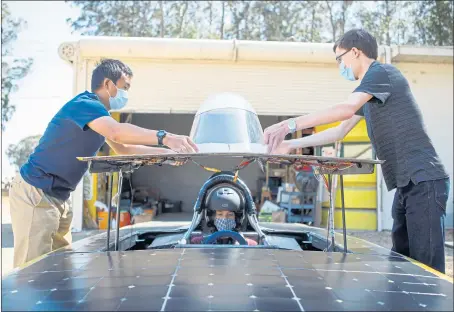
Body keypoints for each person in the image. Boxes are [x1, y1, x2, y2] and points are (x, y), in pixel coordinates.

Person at [263, 29, 449, 273]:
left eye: (340, 59)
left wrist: (289, 125)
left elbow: (345, 109)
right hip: (408, 185)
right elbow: (338, 132)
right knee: (404, 265)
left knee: (427, 271)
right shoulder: (370, 94)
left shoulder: (381, 73)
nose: (340, 66)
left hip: (424, 180)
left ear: (355, 51)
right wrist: (291, 145)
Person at [9, 58, 199, 268]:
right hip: (37, 192)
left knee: (58, 267)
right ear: (108, 84)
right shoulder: (85, 104)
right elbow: (117, 134)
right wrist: (165, 136)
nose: (126, 94)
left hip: (59, 197)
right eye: (125, 87)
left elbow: (124, 150)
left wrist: (167, 154)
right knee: (32, 271)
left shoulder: (100, 116)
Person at [191, 210, 257, 246]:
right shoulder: (198, 242)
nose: (225, 218)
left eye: (230, 214)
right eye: (220, 214)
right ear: (212, 219)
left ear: (236, 219)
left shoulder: (250, 244)